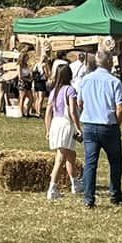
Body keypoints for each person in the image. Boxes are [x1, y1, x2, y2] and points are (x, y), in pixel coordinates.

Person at [76, 51, 122, 208]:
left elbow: (80, 103)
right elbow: (120, 108)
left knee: (90, 163)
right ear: (110, 62)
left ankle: (88, 198)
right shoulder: (114, 82)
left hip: (89, 125)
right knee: (115, 161)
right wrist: (116, 123)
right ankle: (115, 194)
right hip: (108, 125)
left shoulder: (85, 80)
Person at [44, 63, 83, 201]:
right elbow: (72, 111)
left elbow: (48, 112)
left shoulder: (53, 91)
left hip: (56, 124)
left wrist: (48, 129)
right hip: (66, 125)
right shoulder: (70, 90)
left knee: (71, 155)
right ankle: (52, 188)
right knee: (60, 158)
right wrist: (78, 127)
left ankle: (75, 183)